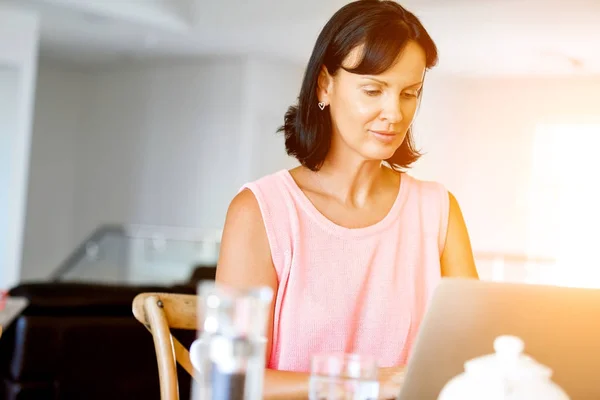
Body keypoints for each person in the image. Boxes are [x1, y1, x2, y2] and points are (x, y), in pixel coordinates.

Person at [216, 0, 479, 398]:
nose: (394, 113)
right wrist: (368, 382)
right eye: (373, 90)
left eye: (410, 93)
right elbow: (230, 381)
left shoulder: (437, 211)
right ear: (325, 84)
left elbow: (474, 357)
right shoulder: (261, 212)